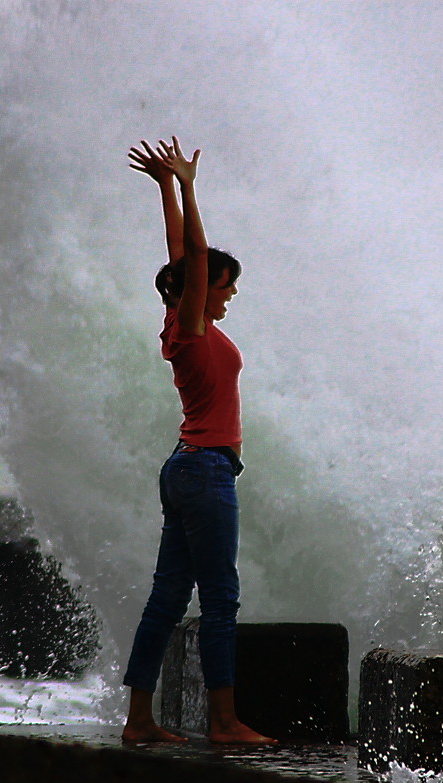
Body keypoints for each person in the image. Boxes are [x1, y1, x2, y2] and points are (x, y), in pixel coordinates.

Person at [120, 137, 275, 745]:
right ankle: (223, 722)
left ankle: (139, 721)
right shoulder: (189, 325)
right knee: (219, 599)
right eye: (225, 285)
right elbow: (196, 255)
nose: (229, 292)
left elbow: (183, 252)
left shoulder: (183, 325)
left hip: (187, 470)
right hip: (205, 471)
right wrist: (187, 186)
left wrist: (166, 186)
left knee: (166, 599)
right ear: (199, 289)